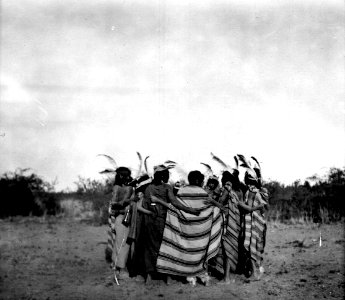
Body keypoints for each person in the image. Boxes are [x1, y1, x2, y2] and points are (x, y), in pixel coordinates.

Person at [154, 170, 223, 287]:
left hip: (185, 229)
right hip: (201, 231)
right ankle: (200, 275)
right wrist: (216, 211)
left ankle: (188, 276)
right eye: (201, 180)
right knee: (200, 252)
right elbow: (208, 209)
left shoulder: (182, 191)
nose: (202, 182)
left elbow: (177, 207)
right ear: (198, 181)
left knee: (187, 251)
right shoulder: (203, 193)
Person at [141, 165, 199, 285]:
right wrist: (190, 210)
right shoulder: (164, 188)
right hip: (160, 221)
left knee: (152, 247)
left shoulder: (150, 188)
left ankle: (151, 275)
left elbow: (146, 206)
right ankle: (163, 276)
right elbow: (175, 203)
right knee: (165, 247)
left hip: (153, 221)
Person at [107, 167, 134, 279]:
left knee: (124, 243)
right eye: (127, 175)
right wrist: (127, 202)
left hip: (128, 217)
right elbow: (113, 204)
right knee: (121, 243)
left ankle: (118, 266)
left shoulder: (129, 187)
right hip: (122, 217)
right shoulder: (117, 187)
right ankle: (120, 269)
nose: (129, 177)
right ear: (122, 176)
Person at [242, 169, 269, 280]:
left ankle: (255, 271)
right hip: (256, 221)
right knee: (256, 245)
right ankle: (256, 270)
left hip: (253, 221)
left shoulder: (253, 192)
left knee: (252, 245)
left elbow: (262, 206)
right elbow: (266, 207)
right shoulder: (259, 192)